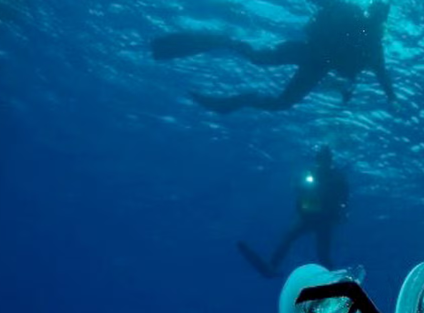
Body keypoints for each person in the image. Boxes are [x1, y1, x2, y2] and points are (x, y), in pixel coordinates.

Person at [151, 0, 396, 114]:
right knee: (259, 59)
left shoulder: (374, 46)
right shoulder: (349, 13)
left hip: (315, 64)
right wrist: (391, 97)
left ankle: (241, 99)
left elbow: (383, 75)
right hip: (308, 53)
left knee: (282, 102)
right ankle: (222, 40)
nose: (375, 18)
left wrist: (391, 97)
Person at [237, 146, 350, 278]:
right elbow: (298, 188)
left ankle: (331, 278)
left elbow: (344, 199)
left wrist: (340, 212)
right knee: (288, 237)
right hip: (307, 216)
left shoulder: (337, 178)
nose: (323, 162)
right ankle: (273, 266)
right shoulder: (311, 172)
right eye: (320, 159)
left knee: (322, 253)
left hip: (324, 220)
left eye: (325, 159)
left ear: (330, 161)